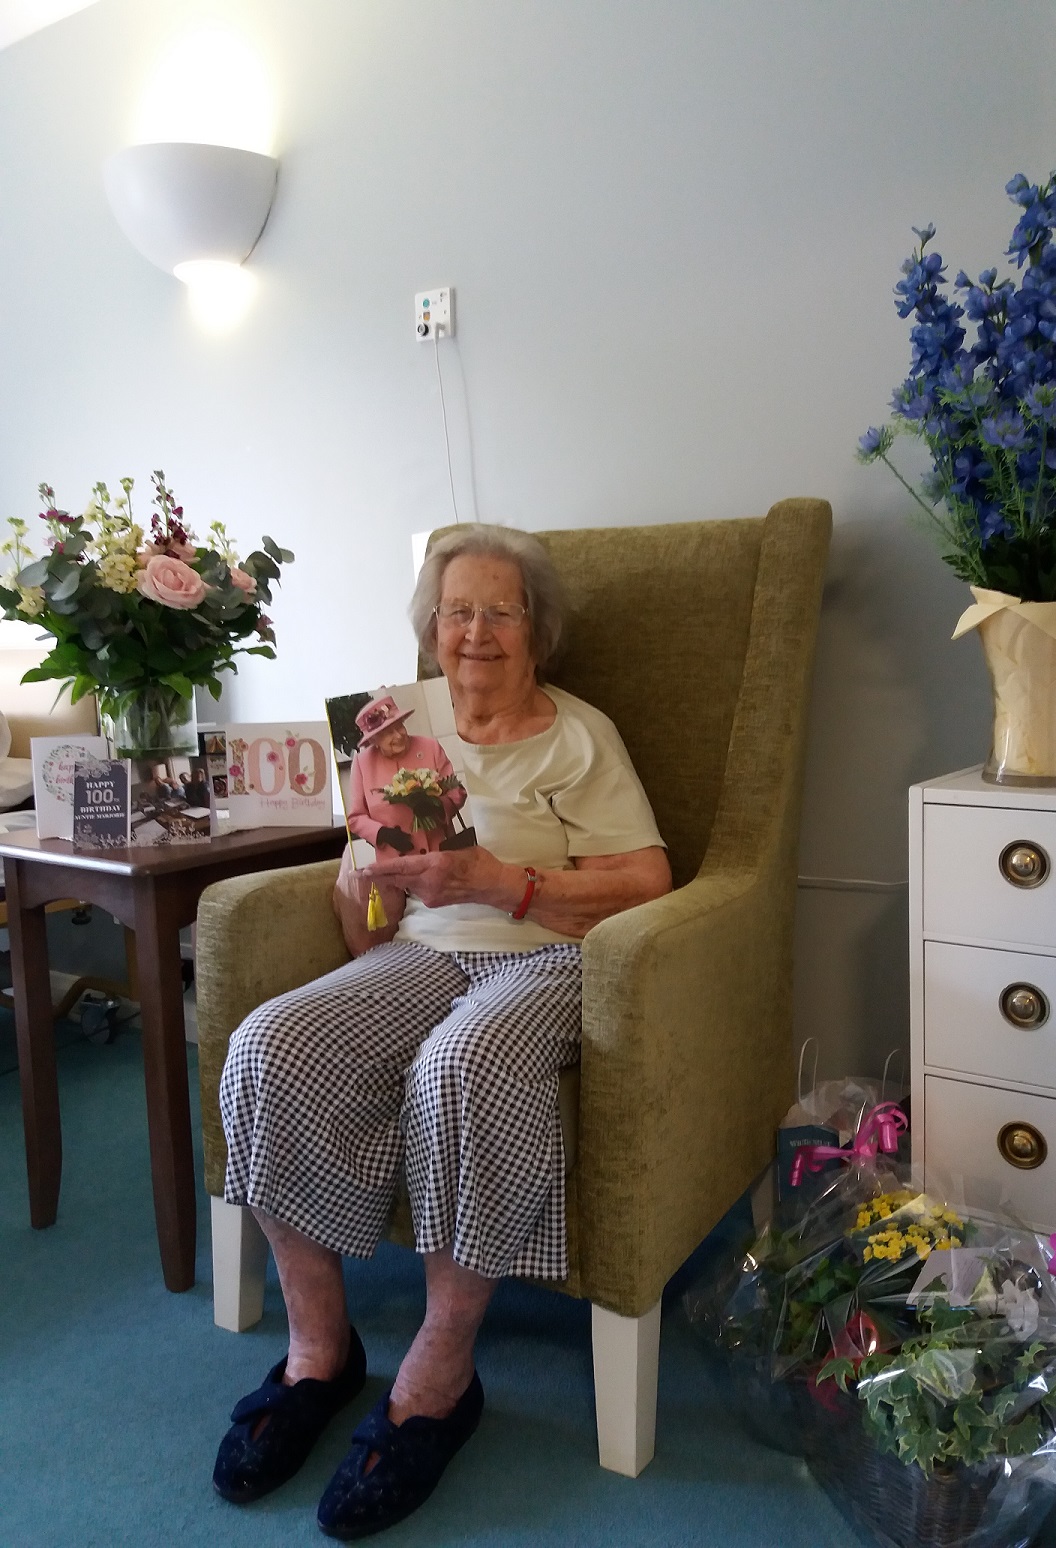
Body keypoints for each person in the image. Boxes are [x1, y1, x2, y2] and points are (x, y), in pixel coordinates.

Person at [214, 525, 672, 1538]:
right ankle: (319, 1352)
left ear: (536, 630)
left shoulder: (577, 736)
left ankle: (441, 1372)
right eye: (457, 611)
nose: (475, 632)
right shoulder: (394, 729)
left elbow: (648, 881)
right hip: (420, 951)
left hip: (542, 953)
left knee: (463, 1060)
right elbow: (366, 930)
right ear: (430, 628)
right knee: (266, 1046)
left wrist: (501, 882)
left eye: (500, 611)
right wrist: (362, 874)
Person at [346, 694, 468, 855]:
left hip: (439, 851)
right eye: (388, 732)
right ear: (373, 740)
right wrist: (382, 833)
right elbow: (355, 818)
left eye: (399, 726)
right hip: (395, 859)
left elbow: (457, 791)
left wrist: (438, 807)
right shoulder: (362, 763)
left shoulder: (429, 747)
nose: (398, 735)